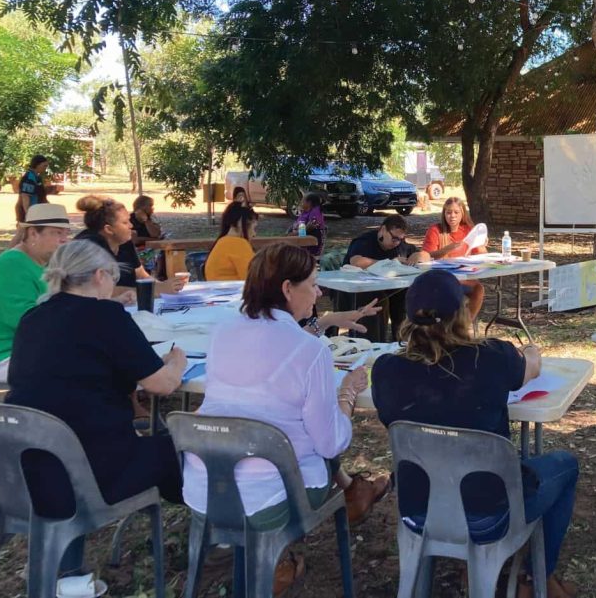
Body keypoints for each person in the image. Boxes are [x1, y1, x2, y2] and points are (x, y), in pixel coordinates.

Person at [372, 270, 580, 598]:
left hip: (419, 507)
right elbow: (532, 366)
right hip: (491, 512)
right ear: (462, 314)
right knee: (566, 465)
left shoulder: (385, 370)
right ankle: (536, 577)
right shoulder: (492, 357)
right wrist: (531, 350)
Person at [182, 244, 389, 572]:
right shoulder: (311, 353)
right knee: (314, 441)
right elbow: (331, 442)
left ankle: (279, 557)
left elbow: (276, 343)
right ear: (287, 288)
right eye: (313, 283)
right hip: (267, 500)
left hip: (203, 493)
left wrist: (326, 322)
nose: (318, 291)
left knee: (296, 431)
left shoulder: (222, 333)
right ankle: (279, 558)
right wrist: (346, 395)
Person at [3, 240, 187, 581]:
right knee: (176, 449)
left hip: (19, 472)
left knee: (76, 436)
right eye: (113, 279)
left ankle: (67, 573)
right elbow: (162, 385)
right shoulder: (106, 316)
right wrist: (177, 362)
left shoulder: (33, 318)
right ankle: (217, 538)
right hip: (87, 476)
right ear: (101, 275)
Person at [0, 204, 71, 381]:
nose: (64, 240)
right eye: (57, 232)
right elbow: (30, 324)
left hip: (26, 349)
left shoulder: (43, 263)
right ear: (33, 233)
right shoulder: (11, 266)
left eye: (65, 233)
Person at [74, 195, 181, 298]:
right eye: (125, 222)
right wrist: (156, 290)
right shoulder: (87, 247)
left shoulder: (124, 241)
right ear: (108, 229)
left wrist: (166, 286)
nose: (131, 225)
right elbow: (97, 290)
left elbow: (142, 275)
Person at [343, 216, 430, 339]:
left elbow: (426, 255)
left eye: (400, 239)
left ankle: (401, 341)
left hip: (391, 289)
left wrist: (418, 255)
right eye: (394, 238)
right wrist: (389, 262)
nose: (397, 243)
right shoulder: (364, 241)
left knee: (407, 295)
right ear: (383, 229)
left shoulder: (400, 245)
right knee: (379, 300)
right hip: (358, 290)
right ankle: (374, 343)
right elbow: (356, 261)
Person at [421, 196, 486, 320]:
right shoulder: (435, 230)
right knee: (449, 293)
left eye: (456, 212)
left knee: (478, 288)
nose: (452, 216)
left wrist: (481, 243)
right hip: (441, 279)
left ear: (463, 214)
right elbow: (426, 256)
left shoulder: (468, 229)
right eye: (448, 212)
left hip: (464, 277)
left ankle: (464, 326)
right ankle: (447, 327)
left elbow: (482, 256)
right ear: (444, 214)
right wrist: (448, 249)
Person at [205, 204, 258, 281]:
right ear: (240, 223)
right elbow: (253, 278)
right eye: (254, 228)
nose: (254, 234)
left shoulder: (222, 242)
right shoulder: (239, 244)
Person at [289, 193, 327, 258]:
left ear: (309, 203)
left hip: (309, 244)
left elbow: (306, 230)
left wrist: (293, 234)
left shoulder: (315, 212)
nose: (300, 202)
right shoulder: (306, 212)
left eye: (302, 200)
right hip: (299, 239)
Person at [15, 154, 49, 224]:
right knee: (22, 233)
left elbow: (41, 195)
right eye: (44, 166)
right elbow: (25, 197)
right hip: (27, 211)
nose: (45, 168)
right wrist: (28, 214)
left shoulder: (37, 177)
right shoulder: (29, 177)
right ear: (37, 165)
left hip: (36, 211)